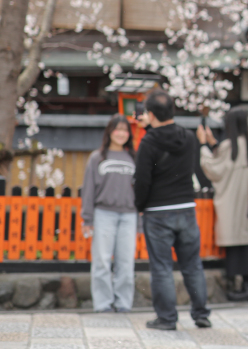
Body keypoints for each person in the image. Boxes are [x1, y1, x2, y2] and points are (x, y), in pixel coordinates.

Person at [134, 90, 211, 330]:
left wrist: (139, 205)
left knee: (162, 267)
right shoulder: (188, 138)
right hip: (187, 207)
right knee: (192, 265)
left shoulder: (148, 141)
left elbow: (143, 180)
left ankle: (167, 318)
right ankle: (201, 314)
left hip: (158, 210)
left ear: (151, 114)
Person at [198, 107, 248, 302]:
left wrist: (203, 146)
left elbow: (214, 169)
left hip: (232, 205)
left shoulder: (229, 146)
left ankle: (241, 288)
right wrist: (214, 144)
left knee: (235, 247)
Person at [81, 114, 138, 313]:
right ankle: (103, 304)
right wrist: (87, 218)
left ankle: (123, 303)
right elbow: (88, 189)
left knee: (126, 262)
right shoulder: (97, 158)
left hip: (129, 215)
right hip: (103, 213)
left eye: (125, 130)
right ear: (109, 132)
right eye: (117, 129)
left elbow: (140, 190)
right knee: (102, 261)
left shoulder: (134, 157)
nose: (121, 133)